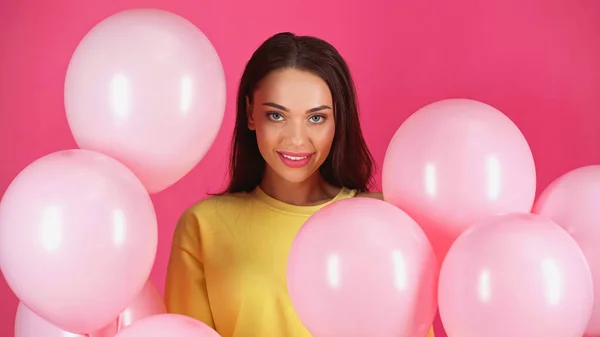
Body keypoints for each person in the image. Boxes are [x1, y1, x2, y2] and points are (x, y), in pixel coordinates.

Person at [164, 32, 435, 337]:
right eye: (276, 115)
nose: (296, 139)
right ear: (251, 113)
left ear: (338, 121)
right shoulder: (203, 226)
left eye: (316, 119)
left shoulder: (384, 222)